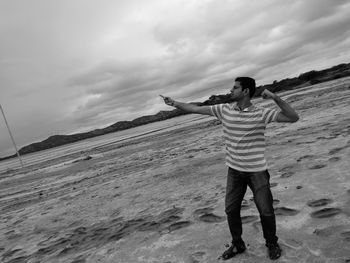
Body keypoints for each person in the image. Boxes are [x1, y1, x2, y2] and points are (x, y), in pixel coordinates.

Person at [160, 77, 299, 260]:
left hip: (257, 170)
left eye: (235, 88)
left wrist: (275, 98)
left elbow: (293, 117)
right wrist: (174, 103)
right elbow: (195, 108)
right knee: (231, 210)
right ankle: (238, 244)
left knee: (265, 210)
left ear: (246, 91)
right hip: (234, 171)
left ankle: (271, 243)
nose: (231, 90)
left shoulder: (262, 113)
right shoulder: (224, 109)